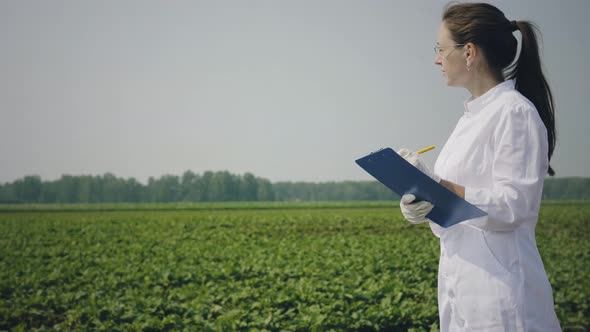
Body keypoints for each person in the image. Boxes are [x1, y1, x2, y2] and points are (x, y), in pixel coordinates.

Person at [398, 3, 562, 331]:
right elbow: (457, 216)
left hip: (502, 296)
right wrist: (424, 200)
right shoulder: (469, 118)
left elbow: (515, 205)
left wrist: (440, 188)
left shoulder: (514, 113)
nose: (436, 59)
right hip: (460, 291)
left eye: (440, 49)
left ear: (469, 51)